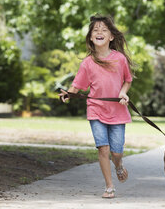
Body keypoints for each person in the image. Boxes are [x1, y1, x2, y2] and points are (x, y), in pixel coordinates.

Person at [59, 15, 134, 199]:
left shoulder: (120, 59)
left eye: (104, 30)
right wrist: (67, 93)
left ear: (111, 37)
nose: (99, 32)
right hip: (96, 110)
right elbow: (77, 85)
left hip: (117, 111)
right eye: (95, 30)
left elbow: (128, 80)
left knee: (116, 152)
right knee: (103, 149)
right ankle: (109, 186)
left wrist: (123, 93)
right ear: (91, 38)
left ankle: (118, 165)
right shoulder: (87, 63)